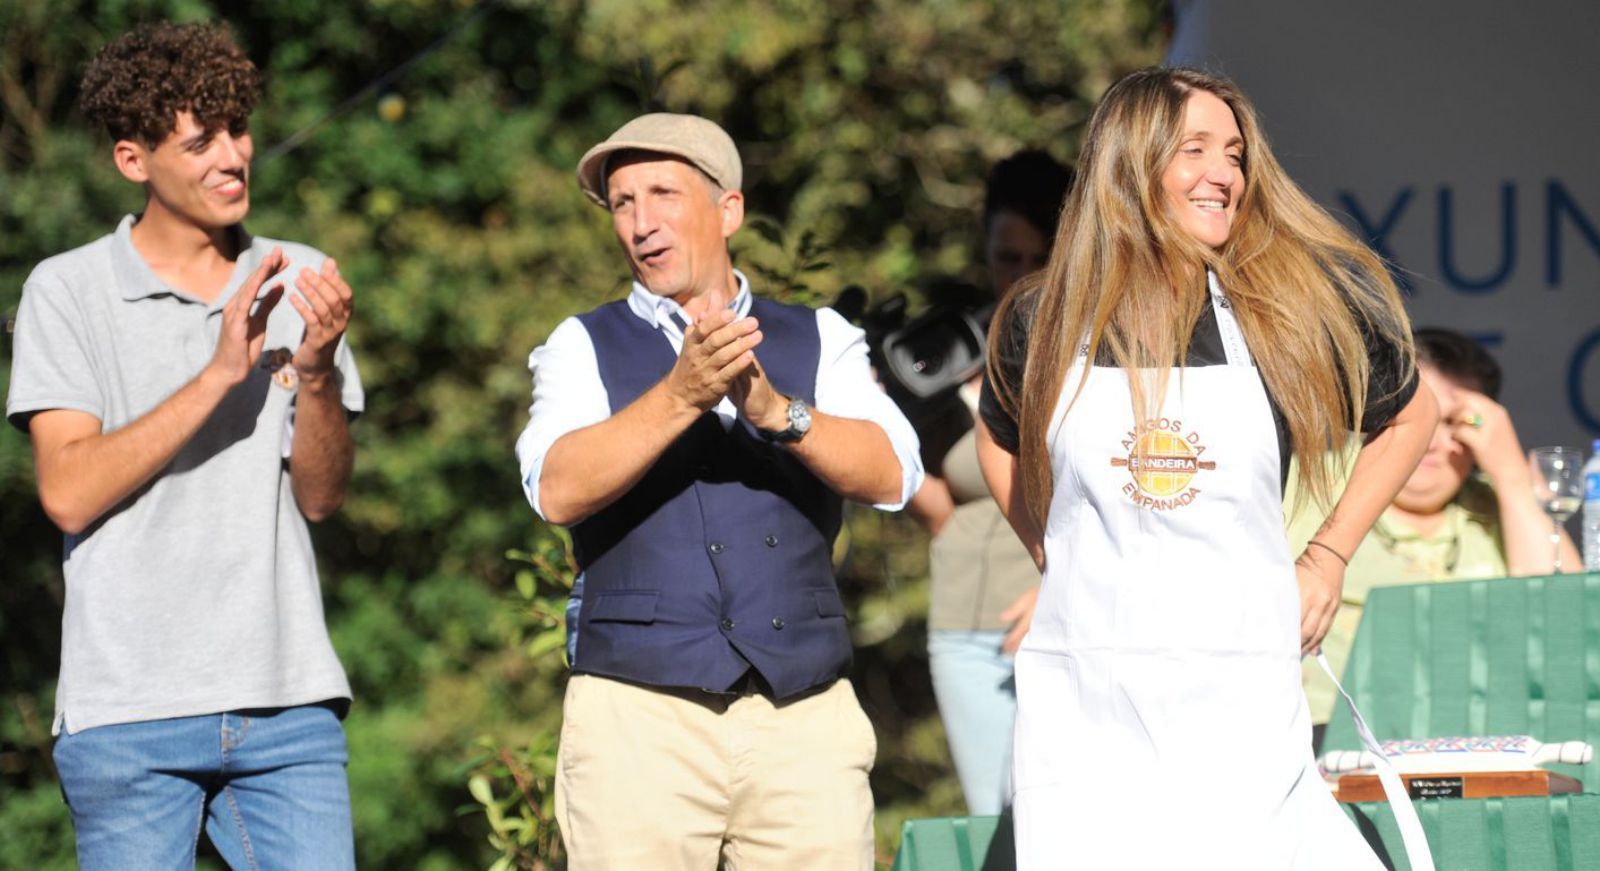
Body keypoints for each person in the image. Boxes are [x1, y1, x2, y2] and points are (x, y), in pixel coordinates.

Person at [976, 67, 1438, 868]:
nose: (1225, 173)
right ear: (1132, 160)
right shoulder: (1041, 313)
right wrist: (1051, 549)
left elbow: (1410, 414)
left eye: (1233, 154)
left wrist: (1326, 556)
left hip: (1237, 689)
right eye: (1196, 150)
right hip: (1088, 700)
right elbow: (999, 434)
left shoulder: (1283, 302)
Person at [515, 112, 921, 870]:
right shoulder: (582, 343)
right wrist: (679, 395)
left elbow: (896, 471)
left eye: (662, 193)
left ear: (727, 209)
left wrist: (777, 413)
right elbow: (555, 488)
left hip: (804, 717)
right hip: (639, 719)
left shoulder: (820, 336)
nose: (640, 222)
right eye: (623, 203)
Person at [5, 22, 363, 870]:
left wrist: (315, 377)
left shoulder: (300, 272)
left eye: (238, 131)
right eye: (201, 140)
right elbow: (67, 490)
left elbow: (322, 497)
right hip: (128, 713)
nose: (234, 156)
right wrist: (217, 375)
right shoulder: (66, 289)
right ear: (135, 161)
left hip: (289, 704)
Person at [1288, 328, 1579, 740]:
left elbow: (1567, 629)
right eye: (1415, 416)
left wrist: (1511, 474)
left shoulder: (1505, 508)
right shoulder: (1309, 484)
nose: (1431, 442)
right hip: (1326, 748)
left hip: (1479, 750)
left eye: (1454, 423)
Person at [906, 151, 1069, 816]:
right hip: (963, 626)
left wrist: (1060, 587)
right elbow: (942, 508)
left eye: (1039, 258)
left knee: (1058, 825)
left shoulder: (1096, 347)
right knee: (993, 828)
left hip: (1061, 621)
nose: (1021, 276)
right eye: (1008, 258)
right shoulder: (957, 352)